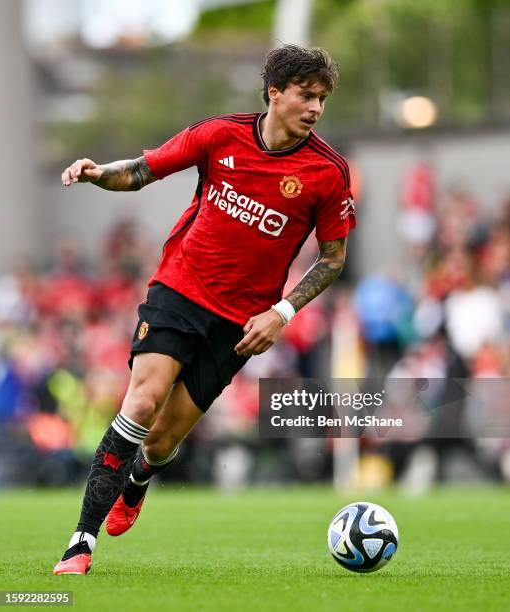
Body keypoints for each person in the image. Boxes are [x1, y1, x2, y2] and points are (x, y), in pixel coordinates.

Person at [53, 44, 356, 575]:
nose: (315, 108)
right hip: (179, 290)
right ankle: (81, 542)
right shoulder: (220, 134)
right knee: (142, 404)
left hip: (242, 323)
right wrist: (99, 173)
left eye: (322, 99)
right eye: (306, 96)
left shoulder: (328, 173)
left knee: (165, 439)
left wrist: (281, 314)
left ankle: (141, 476)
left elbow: (333, 259)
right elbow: (144, 171)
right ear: (274, 93)